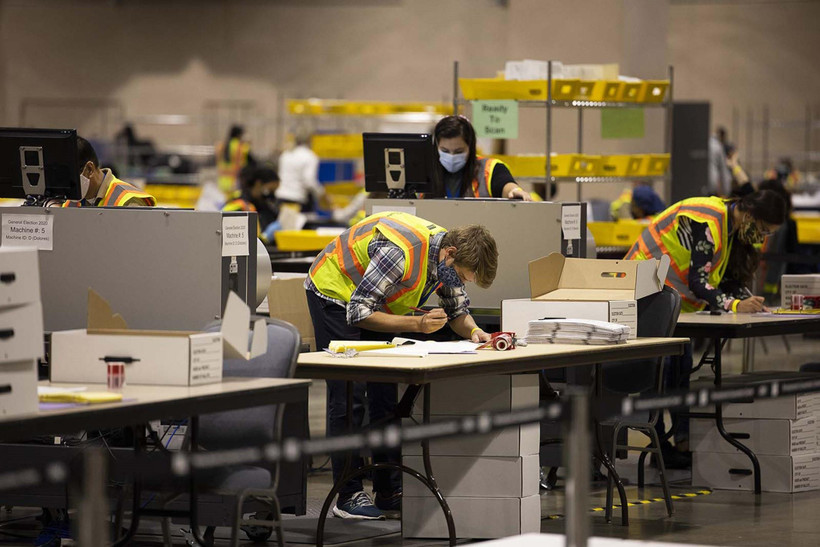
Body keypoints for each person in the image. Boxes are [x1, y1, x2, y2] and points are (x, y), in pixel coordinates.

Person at [305, 211, 498, 519]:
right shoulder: (402, 253)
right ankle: (348, 493)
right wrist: (417, 325)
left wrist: (477, 333)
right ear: (450, 255)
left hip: (375, 301)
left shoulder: (448, 261)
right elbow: (357, 313)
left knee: (385, 394)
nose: (462, 282)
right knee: (347, 393)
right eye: (463, 277)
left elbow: (459, 312)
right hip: (335, 293)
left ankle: (388, 491)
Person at [625, 190, 787, 467]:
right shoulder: (709, 221)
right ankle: (657, 446)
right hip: (644, 293)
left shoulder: (732, 226)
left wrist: (744, 299)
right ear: (750, 215)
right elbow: (699, 281)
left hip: (673, 303)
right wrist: (735, 306)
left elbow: (719, 278)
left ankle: (681, 442)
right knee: (656, 372)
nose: (762, 238)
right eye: (762, 230)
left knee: (681, 368)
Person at [431, 115, 532, 200]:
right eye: (445, 151)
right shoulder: (425, 170)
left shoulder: (490, 168)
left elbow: (506, 185)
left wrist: (515, 191)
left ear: (470, 147)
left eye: (459, 151)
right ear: (436, 147)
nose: (451, 156)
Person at [61, 136, 156, 207]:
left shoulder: (128, 202)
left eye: (70, 177)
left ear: (89, 169)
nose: (66, 185)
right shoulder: (69, 204)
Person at [222, 164, 280, 240]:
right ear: (258, 184)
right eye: (270, 190)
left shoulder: (264, 205)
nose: (272, 195)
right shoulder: (238, 205)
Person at [276, 132, 326, 212]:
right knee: (294, 224)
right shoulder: (310, 156)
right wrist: (321, 193)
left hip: (280, 197)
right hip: (297, 200)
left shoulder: (285, 154)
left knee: (283, 224)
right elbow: (309, 181)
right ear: (310, 141)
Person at [216, 125, 253, 196]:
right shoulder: (240, 146)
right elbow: (243, 164)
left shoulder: (221, 145)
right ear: (239, 134)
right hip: (234, 181)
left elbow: (217, 161)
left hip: (222, 180)